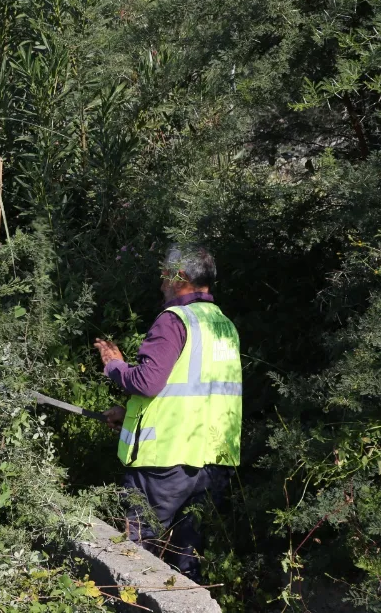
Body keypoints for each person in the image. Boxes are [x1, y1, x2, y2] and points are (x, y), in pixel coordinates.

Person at [94, 246, 242, 582]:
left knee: (134, 555)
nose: (161, 281)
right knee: (185, 555)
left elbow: (147, 382)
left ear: (181, 278)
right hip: (213, 462)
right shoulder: (224, 325)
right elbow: (191, 393)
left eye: (165, 274)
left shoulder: (174, 320)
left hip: (165, 465)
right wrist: (129, 411)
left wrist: (114, 366)